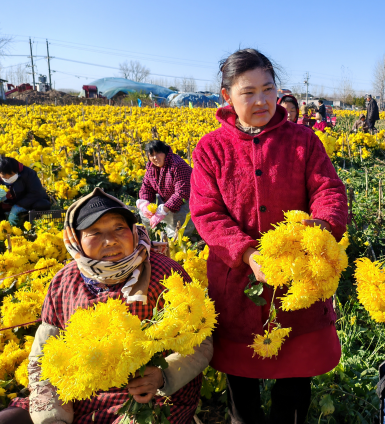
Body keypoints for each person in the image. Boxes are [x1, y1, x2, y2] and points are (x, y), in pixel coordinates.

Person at [190, 48, 347, 424]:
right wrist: (247, 254)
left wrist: (321, 226)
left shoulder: (303, 140)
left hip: (299, 280)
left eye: (268, 89)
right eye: (248, 92)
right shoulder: (211, 148)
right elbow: (206, 213)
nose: (261, 100)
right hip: (236, 282)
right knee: (241, 389)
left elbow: (330, 191)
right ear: (227, 96)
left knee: (294, 388)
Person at [1, 188, 212, 424]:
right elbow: (43, 356)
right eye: (94, 232)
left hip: (149, 396)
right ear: (76, 239)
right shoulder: (64, 281)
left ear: (133, 230)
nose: (110, 240)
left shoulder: (165, 274)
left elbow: (201, 342)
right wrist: (53, 417)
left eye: (119, 228)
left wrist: (162, 375)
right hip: (79, 392)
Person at [137, 140, 194, 239]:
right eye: (151, 155)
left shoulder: (177, 165)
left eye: (158, 153)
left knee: (178, 234)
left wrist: (162, 210)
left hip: (187, 200)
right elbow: (146, 188)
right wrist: (144, 204)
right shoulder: (151, 168)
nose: (155, 158)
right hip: (167, 198)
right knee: (144, 211)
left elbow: (182, 193)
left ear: (165, 153)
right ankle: (150, 236)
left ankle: (182, 240)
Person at [0, 156, 50, 226]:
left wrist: (17, 206)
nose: (8, 179)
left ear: (16, 170)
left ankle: (30, 224)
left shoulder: (29, 173)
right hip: (6, 205)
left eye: (11, 175)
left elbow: (36, 193)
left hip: (25, 203)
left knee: (42, 204)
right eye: (4, 177)